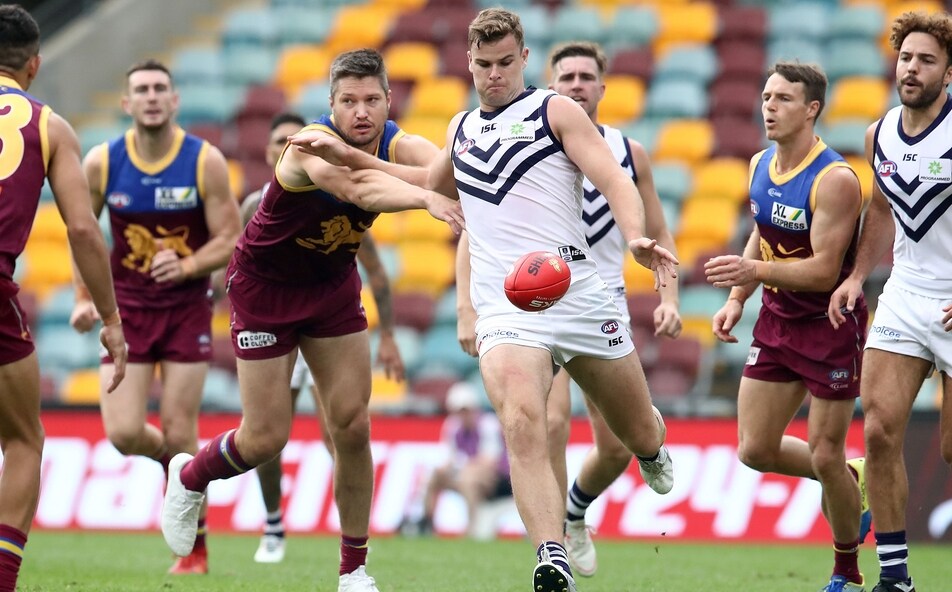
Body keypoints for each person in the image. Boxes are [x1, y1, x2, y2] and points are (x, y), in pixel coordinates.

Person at [291, 10, 678, 592]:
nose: (494, 74)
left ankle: (651, 444)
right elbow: (430, 183)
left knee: (636, 433)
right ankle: (551, 557)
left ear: (524, 59)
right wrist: (353, 158)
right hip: (505, 304)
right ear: (468, 64)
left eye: (504, 63)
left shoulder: (555, 111)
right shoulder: (462, 128)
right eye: (483, 64)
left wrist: (635, 237)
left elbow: (614, 178)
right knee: (522, 420)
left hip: (575, 291)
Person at [159, 49, 461, 592]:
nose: (361, 111)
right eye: (348, 101)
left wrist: (430, 176)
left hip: (330, 286)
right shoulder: (309, 146)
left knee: (353, 426)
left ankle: (354, 570)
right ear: (331, 104)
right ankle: (190, 476)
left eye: (371, 99)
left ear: (389, 101)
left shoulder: (398, 142)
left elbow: (449, 172)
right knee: (265, 437)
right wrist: (425, 196)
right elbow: (357, 189)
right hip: (265, 289)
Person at [454, 39, 683, 578]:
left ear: (602, 86)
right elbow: (476, 226)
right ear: (551, 83)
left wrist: (668, 294)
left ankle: (584, 503)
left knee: (623, 442)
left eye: (585, 76)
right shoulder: (520, 133)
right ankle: (551, 546)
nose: (576, 85)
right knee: (539, 419)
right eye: (567, 77)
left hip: (595, 298)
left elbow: (654, 223)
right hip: (526, 302)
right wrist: (466, 306)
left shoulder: (627, 151)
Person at [69, 58, 241, 574]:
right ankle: (179, 468)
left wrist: (187, 264)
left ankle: (194, 551)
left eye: (159, 88)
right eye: (141, 89)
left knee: (180, 425)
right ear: (126, 103)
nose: (150, 96)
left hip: (186, 309)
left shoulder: (203, 161)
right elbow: (82, 234)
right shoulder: (103, 162)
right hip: (125, 311)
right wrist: (84, 298)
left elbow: (230, 238)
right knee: (123, 433)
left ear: (174, 100)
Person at [704, 61, 870, 592]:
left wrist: (752, 273)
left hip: (829, 325)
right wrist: (737, 298)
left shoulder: (834, 180)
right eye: (766, 97)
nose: (769, 108)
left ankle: (846, 570)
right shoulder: (759, 163)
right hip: (777, 323)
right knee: (754, 449)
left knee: (824, 451)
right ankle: (850, 477)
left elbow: (824, 271)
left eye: (782, 99)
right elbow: (761, 231)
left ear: (812, 109)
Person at [0, 5, 127, 590]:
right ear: (34, 64)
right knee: (24, 439)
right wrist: (111, 319)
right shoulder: (49, 126)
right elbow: (82, 229)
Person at [242, 112, 405, 564]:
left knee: (342, 428)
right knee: (268, 434)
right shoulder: (254, 204)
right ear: (271, 151)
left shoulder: (337, 199)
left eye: (292, 139)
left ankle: (351, 530)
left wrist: (389, 335)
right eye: (279, 140)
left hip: (324, 320)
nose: (286, 146)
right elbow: (240, 262)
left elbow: (375, 271)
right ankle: (273, 522)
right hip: (274, 318)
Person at [828, 12, 952, 592]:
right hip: (905, 294)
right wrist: (857, 275)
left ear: (947, 71)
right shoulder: (879, 134)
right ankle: (895, 577)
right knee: (878, 432)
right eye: (906, 58)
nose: (912, 69)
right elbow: (880, 208)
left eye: (927, 60)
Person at [402, 382, 511, 538]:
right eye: (459, 411)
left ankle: (472, 528)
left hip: (497, 480)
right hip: (467, 474)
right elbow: (448, 458)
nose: (463, 416)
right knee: (435, 476)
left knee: (468, 481)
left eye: (466, 411)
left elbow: (489, 461)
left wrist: (461, 467)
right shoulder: (452, 426)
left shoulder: (488, 424)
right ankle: (426, 522)